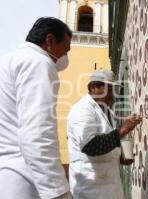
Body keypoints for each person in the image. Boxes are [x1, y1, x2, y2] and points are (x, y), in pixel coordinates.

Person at [0, 17, 72, 199]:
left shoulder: (7, 61)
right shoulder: (38, 62)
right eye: (65, 49)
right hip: (23, 177)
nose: (65, 57)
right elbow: (37, 131)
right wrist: (58, 191)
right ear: (49, 40)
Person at [67, 69, 141, 199]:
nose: (112, 95)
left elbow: (107, 142)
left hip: (109, 187)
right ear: (94, 87)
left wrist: (120, 157)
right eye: (109, 89)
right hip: (91, 190)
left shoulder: (107, 111)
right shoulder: (82, 110)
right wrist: (123, 130)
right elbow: (90, 146)